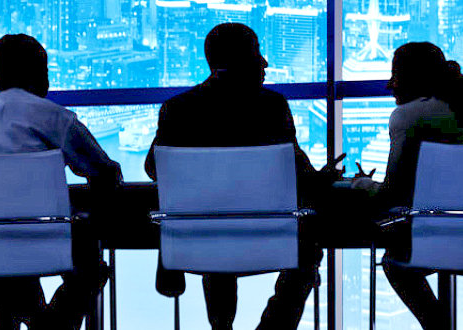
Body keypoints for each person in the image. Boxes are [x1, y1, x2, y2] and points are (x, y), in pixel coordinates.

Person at [144, 22, 337, 330]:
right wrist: (325, 178)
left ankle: (222, 327)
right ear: (239, 61)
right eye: (256, 54)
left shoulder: (178, 109)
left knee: (217, 243)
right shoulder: (271, 106)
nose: (265, 63)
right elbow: (297, 172)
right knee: (307, 257)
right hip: (269, 236)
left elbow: (154, 168)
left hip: (199, 240)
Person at [0, 34, 119, 330]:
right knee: (91, 270)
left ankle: (28, 320)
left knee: (17, 282)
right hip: (41, 244)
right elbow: (104, 172)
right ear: (40, 74)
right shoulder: (54, 117)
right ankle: (49, 327)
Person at [375, 41, 463, 330]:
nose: (391, 86)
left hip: (434, 238)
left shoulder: (407, 116)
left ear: (411, 79)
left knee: (394, 262)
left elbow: (392, 194)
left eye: (396, 76)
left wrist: (361, 186)